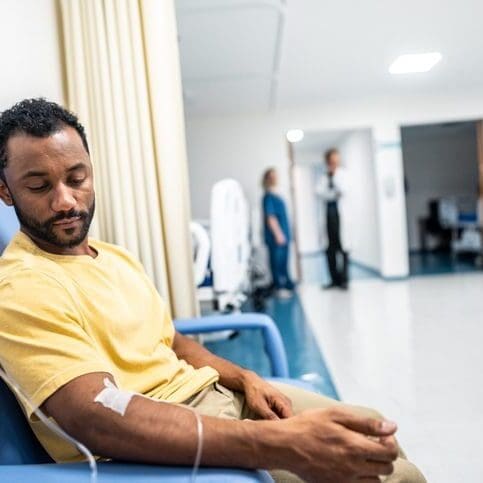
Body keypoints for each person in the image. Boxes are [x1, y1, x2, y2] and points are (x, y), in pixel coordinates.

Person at [0, 99, 425, 483]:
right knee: (394, 478)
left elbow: (171, 341)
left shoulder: (114, 257)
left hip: (217, 398)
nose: (66, 201)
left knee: (373, 430)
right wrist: (279, 443)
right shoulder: (21, 286)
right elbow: (96, 416)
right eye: (39, 186)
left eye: (77, 178)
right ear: (6, 191)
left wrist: (245, 379)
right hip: (157, 444)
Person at [316, 148, 351, 290]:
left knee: (343, 250)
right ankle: (334, 280)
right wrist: (332, 193)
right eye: (331, 161)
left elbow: (342, 191)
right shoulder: (323, 177)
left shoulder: (343, 175)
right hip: (328, 217)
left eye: (336, 161)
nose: (334, 163)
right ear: (327, 162)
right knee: (330, 250)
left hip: (341, 217)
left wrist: (334, 179)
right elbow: (319, 193)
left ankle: (344, 280)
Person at [262, 168, 294, 298]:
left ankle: (287, 284)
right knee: (277, 262)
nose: (274, 179)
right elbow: (271, 217)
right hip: (277, 236)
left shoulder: (277, 194)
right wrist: (278, 234)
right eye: (271, 177)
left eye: (275, 176)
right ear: (266, 179)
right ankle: (279, 287)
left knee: (284, 262)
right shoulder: (268, 196)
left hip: (284, 234)